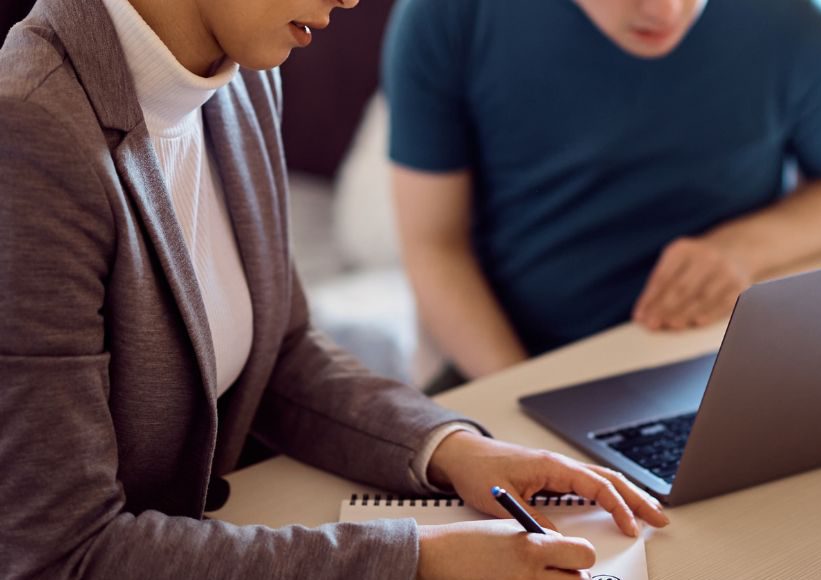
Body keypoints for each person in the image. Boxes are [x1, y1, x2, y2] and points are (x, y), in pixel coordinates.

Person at [0, 0, 669, 578]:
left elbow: (282, 354)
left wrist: (458, 451)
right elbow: (64, 554)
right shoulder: (30, 132)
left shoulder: (237, 79)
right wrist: (417, 561)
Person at [384, 0, 821, 393]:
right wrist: (522, 394)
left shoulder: (801, 22)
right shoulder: (448, 15)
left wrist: (744, 247)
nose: (665, 10)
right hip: (509, 363)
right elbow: (434, 244)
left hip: (717, 367)